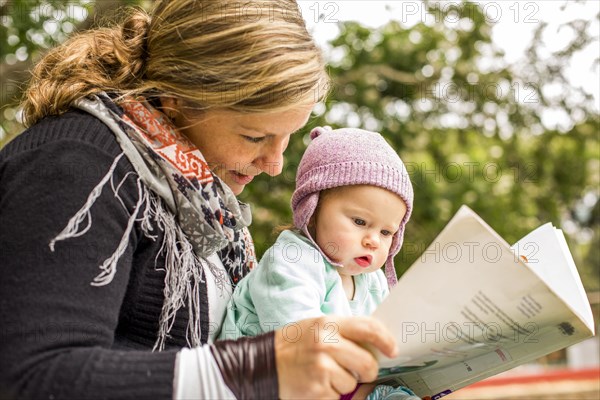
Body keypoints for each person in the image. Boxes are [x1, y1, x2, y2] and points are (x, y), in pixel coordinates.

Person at [0, 1, 401, 399]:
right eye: (255, 136)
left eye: (287, 136)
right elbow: (30, 377)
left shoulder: (202, 204)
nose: (275, 165)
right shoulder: (75, 165)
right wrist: (254, 370)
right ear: (177, 96)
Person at [219, 126, 419, 400]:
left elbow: (385, 344)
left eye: (386, 232)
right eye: (360, 222)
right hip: (256, 383)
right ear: (311, 210)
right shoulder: (292, 260)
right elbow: (299, 340)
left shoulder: (372, 281)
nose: (373, 240)